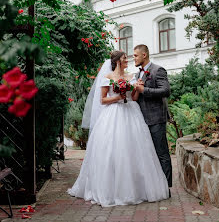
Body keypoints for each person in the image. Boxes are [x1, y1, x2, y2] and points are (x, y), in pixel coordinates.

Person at [67, 51, 169, 207]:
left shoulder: (131, 77)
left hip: (132, 113)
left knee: (134, 151)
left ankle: (137, 189)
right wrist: (117, 97)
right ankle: (112, 189)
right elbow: (103, 100)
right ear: (116, 61)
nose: (127, 60)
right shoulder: (107, 77)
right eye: (124, 58)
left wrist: (136, 89)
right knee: (113, 151)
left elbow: (133, 98)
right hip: (113, 114)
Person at [133, 44, 172, 192]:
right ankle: (153, 187)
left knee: (161, 153)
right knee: (148, 154)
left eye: (136, 55)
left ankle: (166, 189)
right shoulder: (137, 75)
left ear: (144, 55)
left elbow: (166, 91)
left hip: (156, 118)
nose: (134, 58)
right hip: (142, 121)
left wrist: (144, 90)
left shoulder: (157, 70)